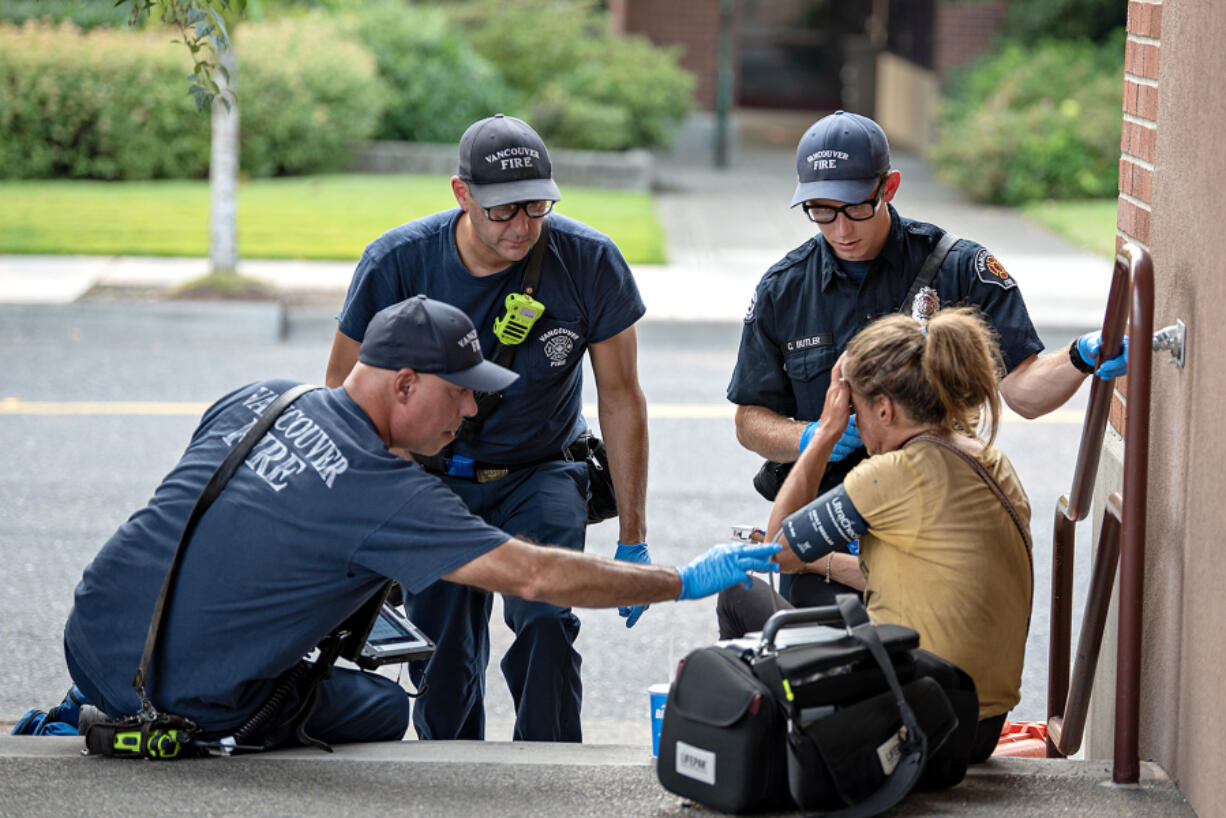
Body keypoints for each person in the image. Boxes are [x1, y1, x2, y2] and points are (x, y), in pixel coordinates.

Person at [45, 297, 778, 747]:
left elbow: (209, 520)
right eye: (461, 394)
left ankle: (98, 699)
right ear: (404, 383)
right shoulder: (383, 490)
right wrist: (681, 578)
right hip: (178, 698)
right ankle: (169, 711)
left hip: (94, 637)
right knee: (381, 709)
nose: (470, 413)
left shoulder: (266, 395)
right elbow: (535, 572)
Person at [323, 114, 650, 743]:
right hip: (431, 478)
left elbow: (622, 397)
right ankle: (452, 780)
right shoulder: (398, 262)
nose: (523, 227)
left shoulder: (589, 261)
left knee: (549, 625)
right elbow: (343, 393)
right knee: (442, 654)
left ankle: (549, 776)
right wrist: (358, 523)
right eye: (502, 211)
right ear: (461, 193)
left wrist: (633, 536)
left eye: (537, 206)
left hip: (542, 469)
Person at [727, 109, 1128, 608]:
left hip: (930, 523)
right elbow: (749, 420)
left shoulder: (959, 268)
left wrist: (1081, 356)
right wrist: (813, 436)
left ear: (888, 186)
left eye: (855, 207)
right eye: (821, 211)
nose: (840, 228)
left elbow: (1023, 391)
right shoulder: (783, 288)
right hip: (828, 527)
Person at [719, 307, 1030, 765]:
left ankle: (752, 758)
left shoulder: (892, 474)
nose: (855, 425)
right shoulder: (989, 460)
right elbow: (926, 577)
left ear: (884, 408)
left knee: (738, 591)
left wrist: (822, 434)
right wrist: (817, 561)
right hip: (977, 727)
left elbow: (774, 552)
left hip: (911, 725)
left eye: (855, 410)